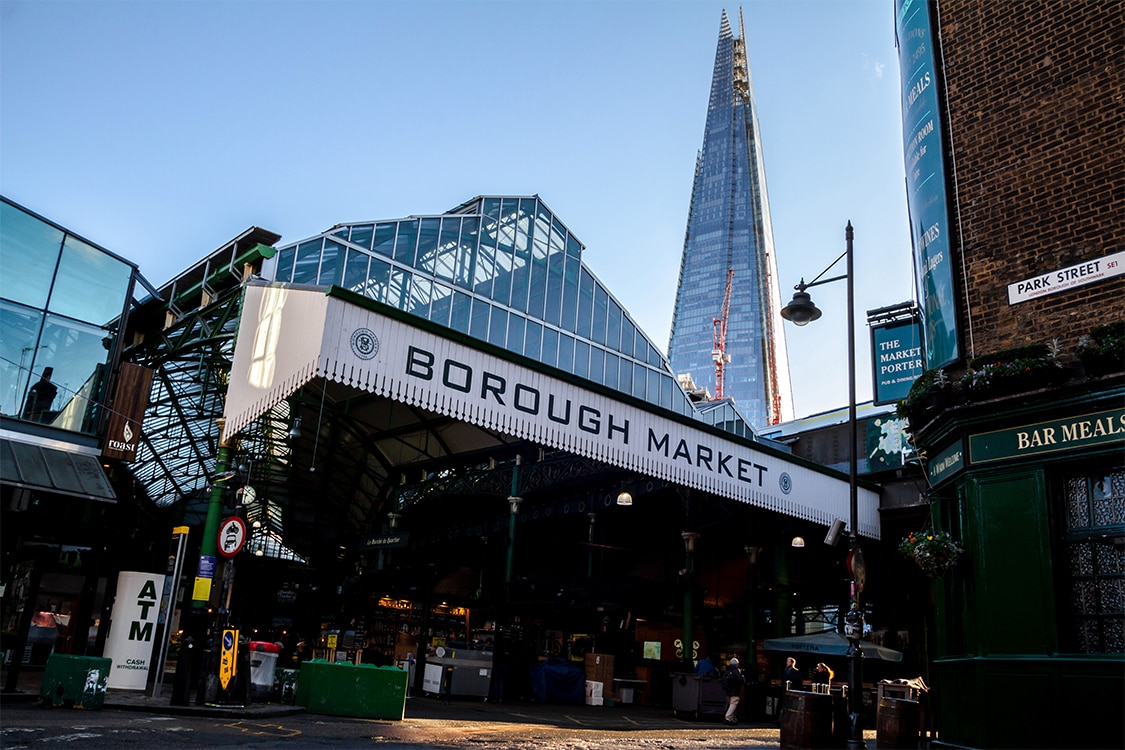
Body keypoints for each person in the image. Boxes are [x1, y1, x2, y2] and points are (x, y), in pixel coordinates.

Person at [721, 656, 745, 725]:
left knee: (730, 704)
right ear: (737, 664)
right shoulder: (736, 671)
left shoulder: (728, 671)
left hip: (728, 690)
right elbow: (741, 680)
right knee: (734, 704)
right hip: (735, 690)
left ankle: (732, 718)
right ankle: (728, 717)